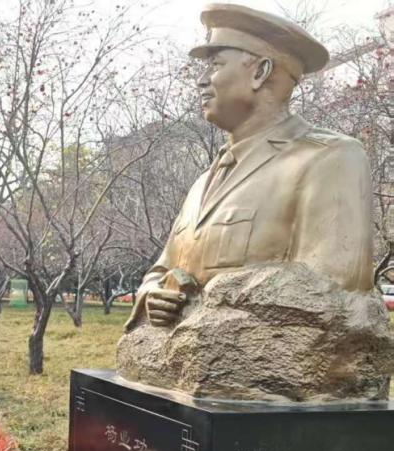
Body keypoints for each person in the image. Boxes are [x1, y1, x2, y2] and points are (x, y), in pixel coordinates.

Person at [126, 4, 373, 330]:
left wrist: (215, 301)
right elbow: (163, 268)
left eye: (215, 65)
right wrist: (153, 294)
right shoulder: (204, 182)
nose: (201, 81)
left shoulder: (329, 159)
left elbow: (333, 286)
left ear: (260, 71)